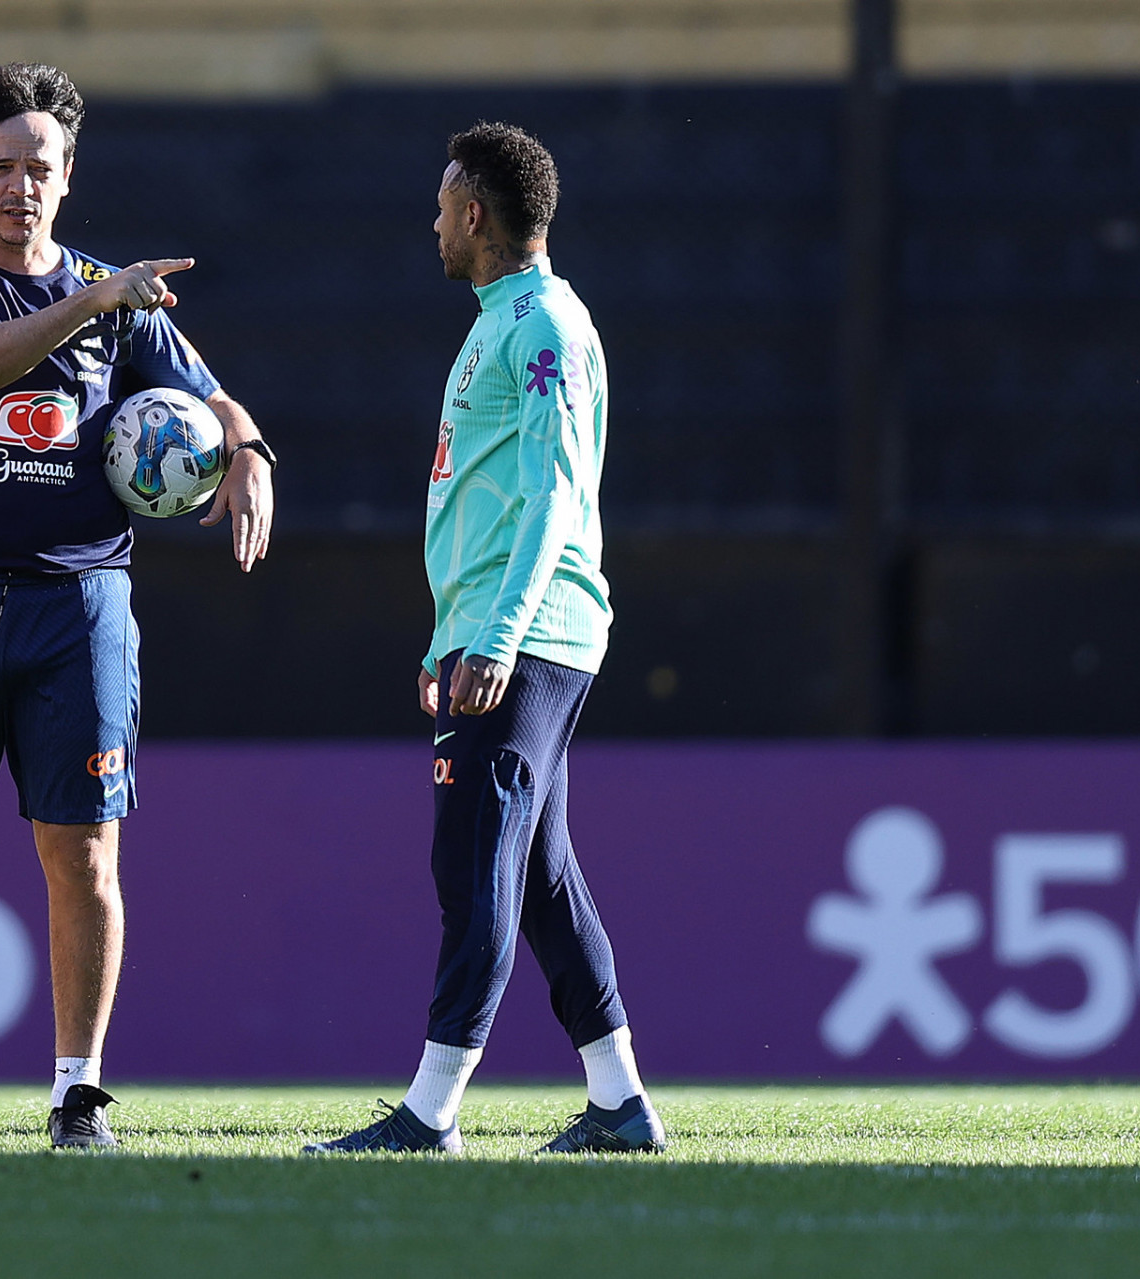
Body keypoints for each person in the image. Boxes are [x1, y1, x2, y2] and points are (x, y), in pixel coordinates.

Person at [0, 63, 276, 1151]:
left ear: (69, 176)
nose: (20, 187)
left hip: (77, 604)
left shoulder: (122, 305)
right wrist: (88, 301)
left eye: (41, 167)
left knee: (84, 857)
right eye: (1, 166)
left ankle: (78, 1093)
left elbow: (207, 393)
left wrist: (249, 446)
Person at [306, 122, 663, 1156]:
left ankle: (429, 1112)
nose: (432, 220)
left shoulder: (540, 321)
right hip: (509, 630)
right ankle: (619, 1102)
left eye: (441, 201)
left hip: (533, 633)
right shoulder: (511, 319)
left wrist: (496, 636)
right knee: (541, 876)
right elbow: (490, 497)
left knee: (474, 867)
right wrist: (447, 637)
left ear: (474, 213)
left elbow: (553, 495)